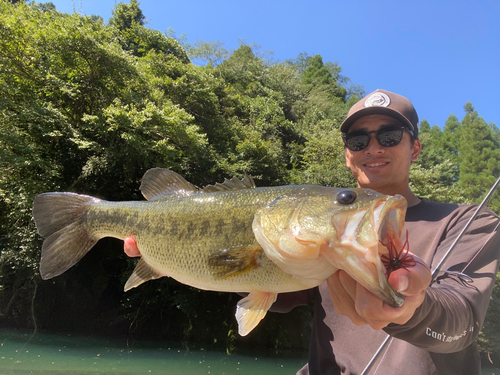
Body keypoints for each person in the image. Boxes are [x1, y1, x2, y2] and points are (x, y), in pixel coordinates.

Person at [123, 89, 500, 375]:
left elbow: (462, 324)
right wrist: (187, 256)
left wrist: (412, 309)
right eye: (357, 140)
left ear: (415, 148)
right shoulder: (319, 223)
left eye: (389, 136)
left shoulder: (471, 222)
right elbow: (282, 295)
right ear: (347, 155)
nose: (372, 147)